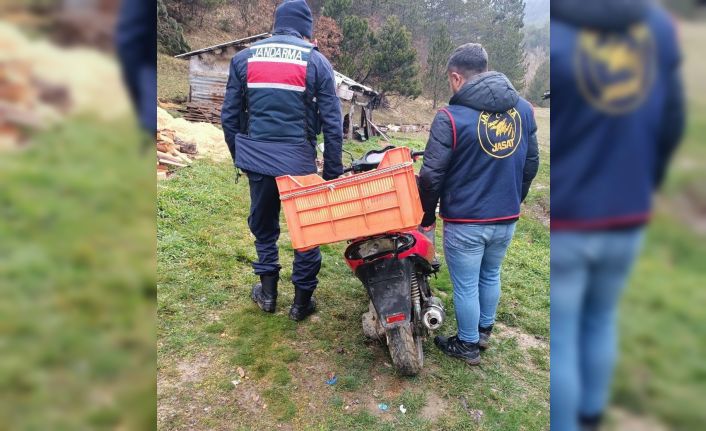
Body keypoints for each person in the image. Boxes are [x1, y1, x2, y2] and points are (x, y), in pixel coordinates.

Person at [551, 0, 685, 429]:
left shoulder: (558, 28)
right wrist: (648, 182)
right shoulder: (657, 26)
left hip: (570, 218)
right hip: (628, 210)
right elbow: (673, 121)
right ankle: (592, 416)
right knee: (602, 317)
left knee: (562, 336)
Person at [418, 43, 539, 366]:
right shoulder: (524, 110)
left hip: (466, 221)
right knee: (490, 274)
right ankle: (484, 331)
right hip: (506, 217)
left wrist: (426, 216)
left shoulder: (450, 118)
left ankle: (468, 343)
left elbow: (430, 176)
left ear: (456, 77)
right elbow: (531, 163)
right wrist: (516, 198)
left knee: (466, 285)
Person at [221, 0, 343, 321]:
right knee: (307, 230)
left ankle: (268, 294)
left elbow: (229, 118)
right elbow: (333, 124)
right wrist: (332, 173)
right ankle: (301, 303)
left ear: (277, 25)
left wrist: (241, 157)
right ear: (306, 30)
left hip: (258, 161)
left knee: (263, 227)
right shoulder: (317, 62)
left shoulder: (244, 58)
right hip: (299, 163)